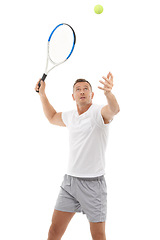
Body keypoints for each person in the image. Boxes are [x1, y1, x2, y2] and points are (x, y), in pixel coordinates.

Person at [35, 72, 120, 240]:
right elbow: (52, 117)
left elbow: (114, 110)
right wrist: (42, 94)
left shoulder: (99, 113)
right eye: (78, 89)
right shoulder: (70, 116)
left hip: (93, 186)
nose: (82, 91)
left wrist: (109, 93)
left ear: (92, 94)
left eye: (86, 89)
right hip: (70, 183)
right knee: (54, 231)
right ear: (73, 96)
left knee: (98, 235)